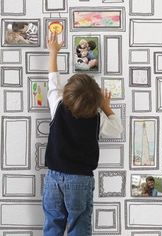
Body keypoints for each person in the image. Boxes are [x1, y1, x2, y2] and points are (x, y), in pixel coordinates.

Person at [43, 32, 123, 236]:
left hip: (54, 177)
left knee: (53, 223)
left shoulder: (58, 105)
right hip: (80, 180)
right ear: (96, 102)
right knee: (79, 225)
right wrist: (106, 107)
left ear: (66, 93)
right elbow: (117, 128)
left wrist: (53, 52)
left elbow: (53, 82)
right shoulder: (97, 118)